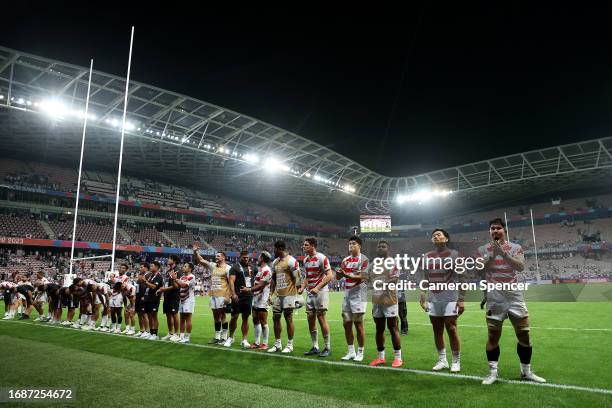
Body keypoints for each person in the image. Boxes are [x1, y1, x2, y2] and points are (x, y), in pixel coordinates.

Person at [477, 218, 545, 385]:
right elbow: (479, 272)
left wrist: (504, 254)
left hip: (514, 295)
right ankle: (493, 373)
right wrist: (492, 255)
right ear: (489, 231)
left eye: (498, 228)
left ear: (504, 230)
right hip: (495, 296)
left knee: (524, 334)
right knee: (493, 336)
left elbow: (520, 267)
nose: (495, 231)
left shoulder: (516, 248)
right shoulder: (482, 249)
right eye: (492, 228)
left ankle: (526, 372)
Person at [419, 228, 465, 372]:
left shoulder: (455, 255)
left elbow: (463, 277)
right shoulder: (426, 256)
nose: (436, 237)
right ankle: (442, 360)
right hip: (433, 298)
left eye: (439, 235)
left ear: (446, 238)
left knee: (451, 328)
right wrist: (422, 295)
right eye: (433, 236)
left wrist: (462, 298)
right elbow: (425, 278)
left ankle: (456, 361)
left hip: (450, 296)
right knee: (437, 330)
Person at [368, 240, 403, 368]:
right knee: (379, 329)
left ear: (388, 248)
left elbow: (395, 278)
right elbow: (367, 278)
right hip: (377, 300)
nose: (381, 248)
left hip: (389, 299)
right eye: (379, 246)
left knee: (393, 327)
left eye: (383, 246)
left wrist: (379, 284)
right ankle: (380, 357)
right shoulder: (373, 264)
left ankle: (398, 358)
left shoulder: (393, 262)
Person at [299, 237, 333, 357]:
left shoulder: (322, 258)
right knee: (310, 318)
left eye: (306, 245)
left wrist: (318, 288)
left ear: (313, 246)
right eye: (304, 245)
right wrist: (303, 287)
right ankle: (315, 346)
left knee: (321, 318)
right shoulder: (306, 260)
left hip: (320, 292)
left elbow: (329, 275)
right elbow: (307, 277)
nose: (304, 246)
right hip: (310, 292)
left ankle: (328, 347)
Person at [336, 235, 369, 362]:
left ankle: (361, 352)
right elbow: (339, 278)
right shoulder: (345, 260)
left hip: (360, 293)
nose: (351, 245)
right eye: (349, 243)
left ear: (359, 246)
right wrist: (339, 274)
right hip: (348, 293)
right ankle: (351, 352)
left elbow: (363, 277)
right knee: (346, 323)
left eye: (354, 243)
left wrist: (346, 274)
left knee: (358, 323)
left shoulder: (364, 259)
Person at [193, 243, 231, 344]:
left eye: (218, 256)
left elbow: (231, 283)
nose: (216, 257)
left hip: (222, 295)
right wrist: (196, 251)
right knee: (215, 316)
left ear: (223, 257)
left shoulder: (228, 268)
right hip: (213, 295)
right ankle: (217, 337)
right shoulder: (213, 266)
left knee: (222, 315)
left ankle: (224, 336)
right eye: (216, 256)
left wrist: (228, 296)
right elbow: (201, 260)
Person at [267, 241, 300, 354]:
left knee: (288, 318)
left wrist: (298, 291)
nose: (274, 251)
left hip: (289, 295)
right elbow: (273, 280)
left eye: (275, 249)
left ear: (280, 248)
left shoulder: (291, 260)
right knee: (275, 318)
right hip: (277, 294)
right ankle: (277, 344)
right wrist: (270, 294)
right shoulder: (275, 262)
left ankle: (290, 345)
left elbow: (297, 278)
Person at [240, 251, 272, 350]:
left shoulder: (267, 270)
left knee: (263, 321)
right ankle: (257, 342)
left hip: (263, 299)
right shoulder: (260, 270)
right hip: (256, 299)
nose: (257, 259)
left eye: (259, 257)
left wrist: (248, 290)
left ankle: (265, 343)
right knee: (255, 320)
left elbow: (261, 285)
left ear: (262, 258)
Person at [224, 250, 254, 348]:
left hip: (248, 296)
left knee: (245, 318)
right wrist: (233, 293)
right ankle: (230, 337)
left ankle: (244, 340)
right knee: (234, 317)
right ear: (240, 257)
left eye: (247, 257)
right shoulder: (235, 267)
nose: (246, 259)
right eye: (244, 257)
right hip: (237, 296)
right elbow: (231, 281)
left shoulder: (252, 268)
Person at [157, 254, 181, 341]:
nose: (168, 260)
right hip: (167, 295)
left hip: (174, 295)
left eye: (170, 258)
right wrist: (164, 290)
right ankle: (170, 333)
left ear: (174, 261)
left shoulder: (177, 270)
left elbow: (177, 285)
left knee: (174, 314)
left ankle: (177, 334)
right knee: (168, 315)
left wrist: (165, 289)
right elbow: (167, 283)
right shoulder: (168, 271)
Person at [139, 261, 163, 340]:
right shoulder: (151, 275)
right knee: (149, 316)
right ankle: (151, 332)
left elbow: (153, 287)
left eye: (152, 266)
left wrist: (145, 281)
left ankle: (155, 334)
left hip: (154, 298)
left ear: (156, 267)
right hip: (148, 297)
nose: (151, 267)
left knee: (154, 316)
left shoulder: (158, 276)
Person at [174, 262, 196, 343]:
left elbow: (184, 285)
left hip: (189, 300)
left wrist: (175, 279)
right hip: (182, 299)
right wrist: (173, 279)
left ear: (190, 268)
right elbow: (177, 286)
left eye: (185, 266)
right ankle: (182, 336)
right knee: (182, 318)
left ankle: (187, 337)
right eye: (183, 266)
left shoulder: (192, 276)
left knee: (188, 318)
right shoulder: (182, 277)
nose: (183, 267)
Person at [134, 262, 150, 337]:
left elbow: (148, 287)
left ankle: (147, 331)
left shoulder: (149, 275)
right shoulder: (140, 276)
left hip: (144, 297)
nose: (140, 268)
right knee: (139, 314)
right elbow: (137, 286)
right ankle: (142, 330)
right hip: (138, 296)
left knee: (144, 314)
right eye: (140, 267)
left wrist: (145, 296)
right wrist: (135, 295)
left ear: (146, 268)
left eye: (141, 267)